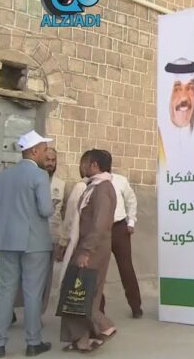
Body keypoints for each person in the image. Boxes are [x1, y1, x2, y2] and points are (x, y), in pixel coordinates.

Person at [0, 130, 54, 358]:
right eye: (44, 150)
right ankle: (33, 342)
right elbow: (45, 209)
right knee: (32, 293)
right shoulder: (40, 176)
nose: (46, 154)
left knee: (5, 292)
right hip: (34, 242)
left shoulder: (4, 176)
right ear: (34, 151)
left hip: (7, 240)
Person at [60, 150, 117, 353]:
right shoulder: (94, 187)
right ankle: (81, 339)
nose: (81, 167)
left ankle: (105, 327)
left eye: (84, 163)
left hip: (92, 249)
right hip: (87, 246)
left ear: (94, 165)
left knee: (82, 294)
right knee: (80, 294)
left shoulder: (102, 189)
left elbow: (99, 224)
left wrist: (85, 250)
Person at [13, 148, 66, 321]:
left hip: (51, 237)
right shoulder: (30, 179)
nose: (50, 163)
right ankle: (11, 309)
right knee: (20, 274)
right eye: (47, 159)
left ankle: (36, 315)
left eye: (53, 160)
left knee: (45, 279)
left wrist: (61, 241)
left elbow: (62, 214)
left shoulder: (61, 185)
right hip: (28, 235)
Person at [99, 172, 142, 318]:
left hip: (119, 228)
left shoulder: (120, 180)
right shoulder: (92, 182)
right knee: (98, 270)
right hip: (101, 229)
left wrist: (131, 222)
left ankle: (136, 306)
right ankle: (99, 310)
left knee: (126, 268)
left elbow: (131, 200)